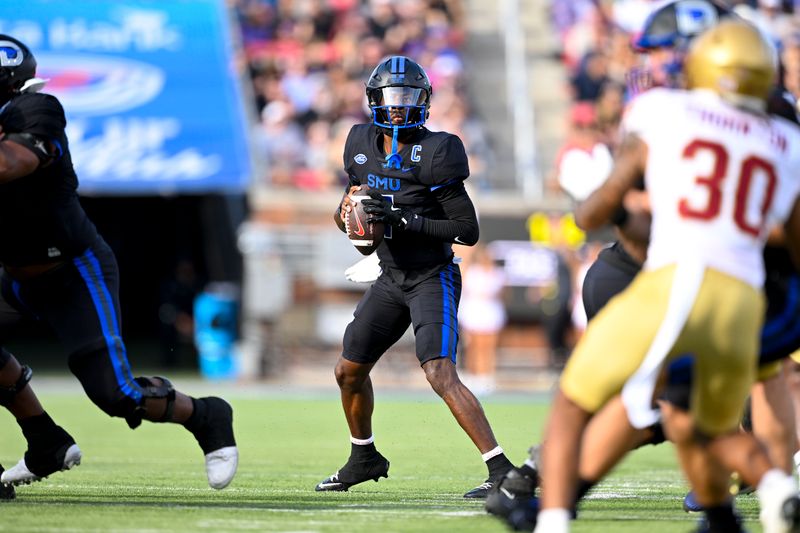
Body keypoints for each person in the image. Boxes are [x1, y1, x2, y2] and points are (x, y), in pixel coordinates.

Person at [488, 2, 800, 529]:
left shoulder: (663, 112)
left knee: (589, 402)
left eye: (668, 54)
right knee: (691, 418)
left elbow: (595, 212)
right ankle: (769, 489)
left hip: (675, 277)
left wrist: (620, 206)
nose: (660, 66)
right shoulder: (786, 136)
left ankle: (552, 516)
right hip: (746, 296)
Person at [0, 35, 238, 491]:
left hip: (71, 272)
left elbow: (11, 162)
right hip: (15, 276)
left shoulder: (38, 110)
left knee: (116, 394)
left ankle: (206, 414)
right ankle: (44, 438)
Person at [316, 55, 514, 498]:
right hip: (390, 275)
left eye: (407, 97)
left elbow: (467, 230)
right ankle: (363, 455)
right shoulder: (359, 141)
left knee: (439, 372)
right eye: (392, 96)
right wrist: (349, 216)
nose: (399, 106)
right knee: (348, 370)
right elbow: (345, 209)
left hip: (431, 275)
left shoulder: (440, 149)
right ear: (374, 100)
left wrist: (405, 220)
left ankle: (502, 470)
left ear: (423, 101)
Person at [458, 244, 506, 396]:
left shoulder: (498, 274)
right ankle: (474, 376)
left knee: (489, 347)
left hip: (491, 314)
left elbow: (503, 294)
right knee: (474, 346)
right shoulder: (471, 272)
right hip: (474, 314)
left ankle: (487, 376)